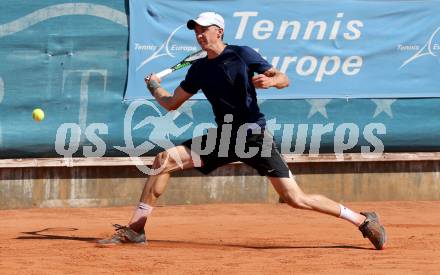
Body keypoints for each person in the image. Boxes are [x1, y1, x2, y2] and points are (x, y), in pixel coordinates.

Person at [99, 12, 387, 250]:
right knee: (164, 161)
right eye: (196, 31)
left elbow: (283, 77)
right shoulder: (198, 69)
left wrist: (271, 82)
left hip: (253, 137)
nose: (199, 35)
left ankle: (362, 220)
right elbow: (172, 103)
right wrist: (154, 88)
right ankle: (137, 230)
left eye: (204, 29)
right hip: (224, 137)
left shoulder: (241, 54)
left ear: (219, 31)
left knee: (295, 199)